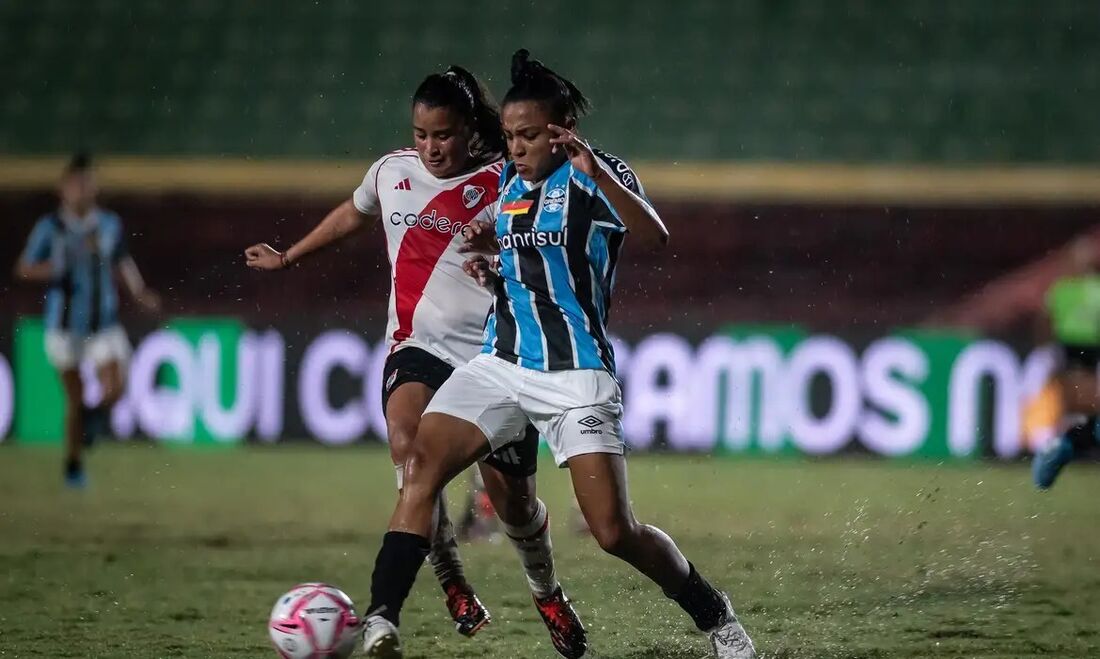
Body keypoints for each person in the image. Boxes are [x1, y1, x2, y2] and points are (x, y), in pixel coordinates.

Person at [360, 50, 757, 659]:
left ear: (561, 129)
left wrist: (596, 171)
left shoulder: (593, 176)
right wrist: (491, 258)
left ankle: (716, 615)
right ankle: (381, 622)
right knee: (419, 465)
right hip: (500, 364)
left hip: (574, 374)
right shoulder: (510, 183)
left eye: (527, 136)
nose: (514, 147)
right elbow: (527, 258)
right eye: (510, 135)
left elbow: (655, 236)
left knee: (613, 532)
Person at [244, 66, 585, 652]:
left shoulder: (506, 178)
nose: (430, 148)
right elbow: (354, 212)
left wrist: (500, 255)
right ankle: (447, 583)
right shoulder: (391, 172)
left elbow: (542, 240)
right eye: (421, 135)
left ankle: (546, 590)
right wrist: (289, 257)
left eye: (444, 136)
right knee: (409, 455)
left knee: (517, 507)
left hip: (495, 356)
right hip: (417, 347)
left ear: (468, 131)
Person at [14, 152, 161, 488]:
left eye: (88, 183)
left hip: (102, 323)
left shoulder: (109, 224)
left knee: (117, 385)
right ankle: (73, 464)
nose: (83, 189)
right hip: (63, 327)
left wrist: (139, 292)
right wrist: (53, 269)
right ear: (63, 189)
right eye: (77, 184)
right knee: (75, 399)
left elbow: (122, 260)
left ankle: (94, 420)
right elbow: (23, 268)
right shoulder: (50, 228)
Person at [1032, 237, 1100, 488]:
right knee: (1078, 401)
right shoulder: (1081, 289)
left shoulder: (1061, 289)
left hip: (1072, 346)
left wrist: (1045, 346)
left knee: (1074, 401)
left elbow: (1044, 317)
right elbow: (1046, 317)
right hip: (1083, 345)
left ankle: (1066, 443)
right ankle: (1067, 444)